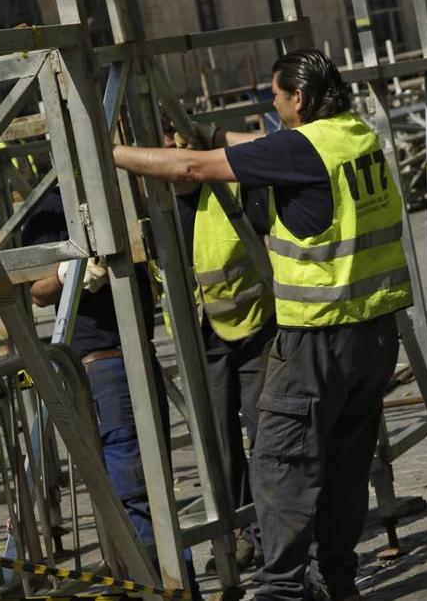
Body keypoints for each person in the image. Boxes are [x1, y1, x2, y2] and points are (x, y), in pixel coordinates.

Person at [114, 48, 412, 601]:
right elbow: (253, 148)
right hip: (375, 333)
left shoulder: (302, 150)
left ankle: (280, 589)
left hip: (319, 335)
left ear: (297, 98)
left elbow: (190, 168)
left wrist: (111, 153)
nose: (273, 110)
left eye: (275, 99)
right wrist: (210, 134)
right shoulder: (355, 135)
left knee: (279, 459)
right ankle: (337, 581)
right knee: (346, 462)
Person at [23, 188, 198, 593]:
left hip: (139, 354)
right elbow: (37, 290)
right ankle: (169, 587)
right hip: (102, 364)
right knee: (134, 488)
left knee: (152, 485)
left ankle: (172, 585)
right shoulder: (49, 208)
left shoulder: (120, 194)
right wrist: (70, 274)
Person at [161, 126, 277, 572]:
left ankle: (275, 533)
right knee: (219, 447)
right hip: (198, 339)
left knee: (266, 430)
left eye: (179, 143)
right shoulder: (150, 204)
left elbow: (272, 137)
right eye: (165, 146)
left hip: (253, 329)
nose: (173, 155)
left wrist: (213, 135)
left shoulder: (229, 182)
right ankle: (240, 535)